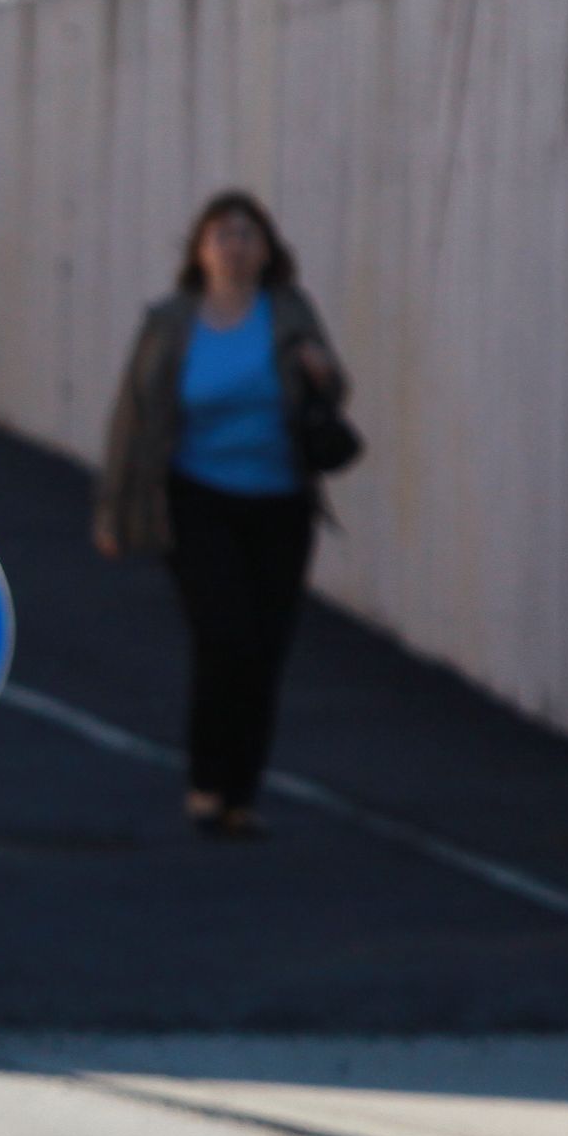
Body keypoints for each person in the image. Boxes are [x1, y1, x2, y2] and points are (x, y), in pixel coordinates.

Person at [91, 190, 351, 838]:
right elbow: (133, 418)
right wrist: (112, 509)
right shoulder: (172, 321)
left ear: (267, 250)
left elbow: (334, 388)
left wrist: (322, 372)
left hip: (281, 501)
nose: (235, 245)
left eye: (247, 234)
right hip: (196, 496)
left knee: (265, 647)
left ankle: (242, 792)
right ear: (200, 249)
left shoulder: (288, 312)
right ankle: (208, 782)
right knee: (224, 636)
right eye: (222, 234)